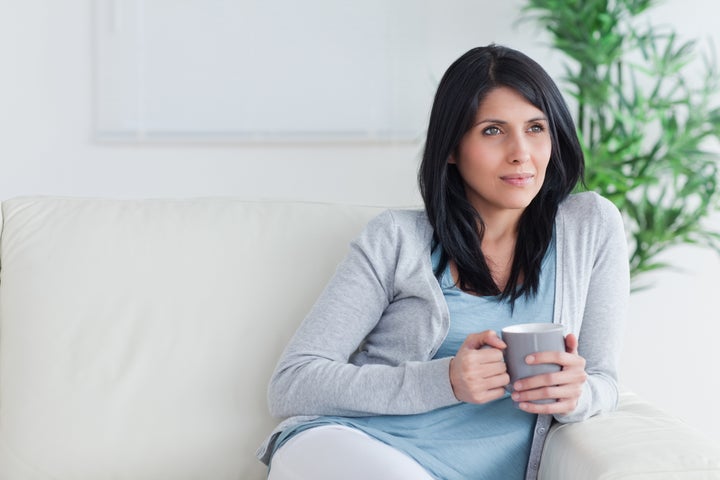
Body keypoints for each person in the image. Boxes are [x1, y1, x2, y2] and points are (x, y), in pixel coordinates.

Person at [256, 44, 629, 480]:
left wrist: (576, 395)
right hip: (351, 447)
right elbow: (292, 383)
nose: (520, 152)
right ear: (451, 148)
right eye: (493, 130)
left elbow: (604, 380)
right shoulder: (396, 238)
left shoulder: (590, 226)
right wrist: (444, 380)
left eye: (535, 127)